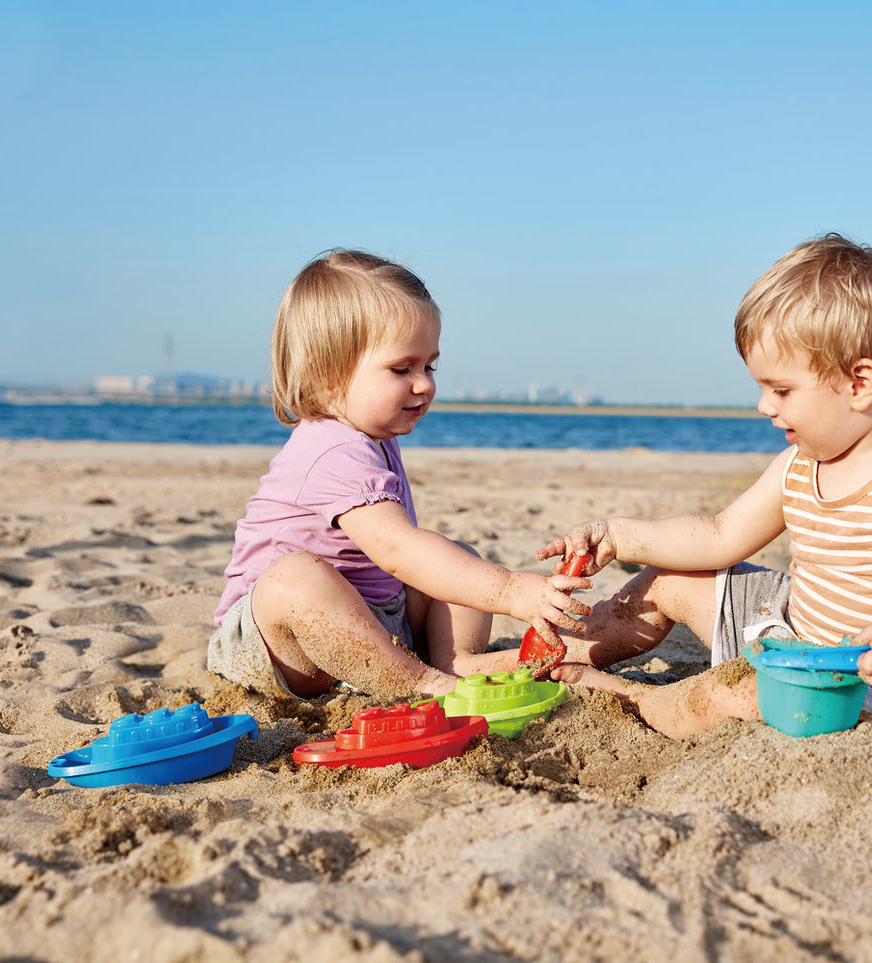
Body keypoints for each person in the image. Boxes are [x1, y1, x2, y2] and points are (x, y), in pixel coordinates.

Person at [542, 233, 872, 737]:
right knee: (671, 578)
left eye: (781, 389)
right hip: (790, 635)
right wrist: (622, 536)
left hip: (868, 683)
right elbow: (719, 536)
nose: (765, 405)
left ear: (859, 384)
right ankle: (568, 652)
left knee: (739, 693)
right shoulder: (797, 464)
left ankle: (637, 699)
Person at [209, 249, 589, 700]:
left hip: (370, 622)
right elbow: (398, 550)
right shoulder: (331, 448)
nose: (425, 382)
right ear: (327, 376)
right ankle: (421, 681)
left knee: (454, 554)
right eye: (401, 368)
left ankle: (453, 661)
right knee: (297, 577)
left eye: (429, 365)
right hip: (279, 644)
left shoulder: (374, 436)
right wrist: (509, 590)